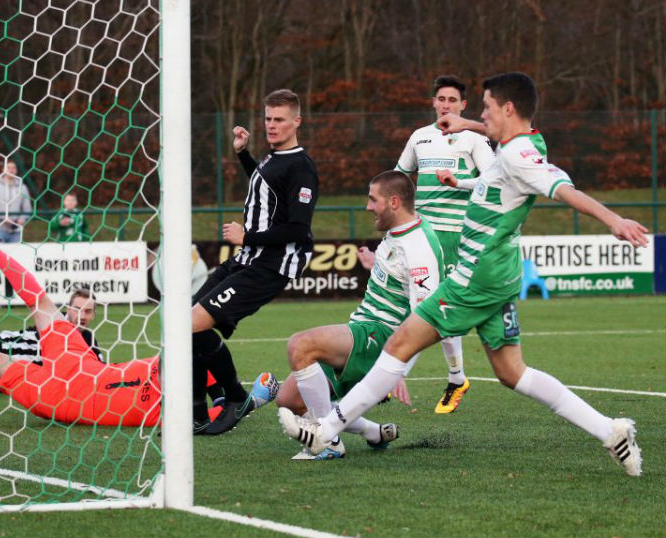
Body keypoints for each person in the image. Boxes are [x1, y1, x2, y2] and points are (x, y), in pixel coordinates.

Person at [280, 73, 647, 476]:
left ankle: (326, 430)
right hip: (498, 277)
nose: (481, 114)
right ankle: (611, 431)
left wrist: (613, 220)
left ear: (507, 109)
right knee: (512, 373)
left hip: (475, 277)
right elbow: (515, 147)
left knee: (400, 344)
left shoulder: (517, 156)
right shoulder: (522, 142)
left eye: (486, 108)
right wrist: (468, 124)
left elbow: (561, 187)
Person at [0, 216, 278, 427]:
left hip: (83, 384)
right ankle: (238, 397)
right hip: (98, 389)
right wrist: (259, 394)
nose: (84, 315)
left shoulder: (69, 367)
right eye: (82, 310)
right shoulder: (165, 404)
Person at [277, 171, 444, 459]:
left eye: (372, 199)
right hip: (363, 326)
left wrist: (397, 366)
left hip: (381, 336)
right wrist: (374, 265)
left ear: (393, 202)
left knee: (300, 345)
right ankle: (373, 432)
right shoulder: (398, 231)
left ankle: (327, 442)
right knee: (288, 399)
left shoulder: (419, 247)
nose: (367, 207)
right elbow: (401, 279)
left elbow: (426, 317)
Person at [192, 88, 318, 435]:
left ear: (297, 121)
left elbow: (297, 227)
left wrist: (247, 236)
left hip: (269, 266)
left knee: (191, 326)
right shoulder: (271, 159)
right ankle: (199, 412)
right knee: (183, 323)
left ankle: (234, 398)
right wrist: (244, 154)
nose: (272, 125)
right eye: (267, 118)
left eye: (279, 119)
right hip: (246, 258)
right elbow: (266, 187)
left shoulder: (301, 167)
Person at [395, 75, 496, 414]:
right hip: (420, 234)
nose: (446, 105)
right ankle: (450, 378)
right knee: (416, 304)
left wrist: (460, 182)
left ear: (463, 106)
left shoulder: (473, 139)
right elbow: (399, 179)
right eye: (441, 99)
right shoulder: (420, 137)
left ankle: (443, 377)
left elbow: (496, 179)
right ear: (434, 102)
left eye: (453, 100)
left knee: (437, 308)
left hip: (453, 236)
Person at [0, 160, 32, 243]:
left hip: (16, 230)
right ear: (3, 169)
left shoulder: (22, 187)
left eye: (13, 168)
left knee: (15, 255)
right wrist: (4, 218)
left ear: (16, 170)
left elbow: (27, 208)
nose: (11, 170)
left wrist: (22, 218)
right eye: (8, 167)